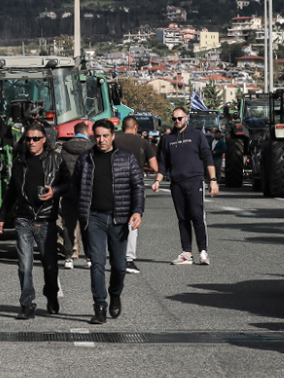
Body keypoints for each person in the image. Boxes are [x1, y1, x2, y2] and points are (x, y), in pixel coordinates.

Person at [72, 119, 145, 324]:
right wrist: (80, 207)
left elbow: (138, 186)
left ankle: (114, 294)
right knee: (97, 263)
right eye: (98, 136)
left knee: (120, 266)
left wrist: (137, 211)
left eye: (105, 135)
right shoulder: (86, 158)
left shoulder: (126, 157)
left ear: (113, 136)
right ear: (92, 136)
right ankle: (100, 306)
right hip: (93, 217)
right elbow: (75, 186)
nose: (101, 140)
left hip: (119, 218)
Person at [0, 123, 70, 319]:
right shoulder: (20, 162)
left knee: (50, 264)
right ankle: (27, 304)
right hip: (23, 220)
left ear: (44, 140)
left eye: (36, 139)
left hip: (46, 220)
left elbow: (68, 183)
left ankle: (52, 294)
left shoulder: (56, 159)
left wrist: (55, 191)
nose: (31, 142)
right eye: (28, 139)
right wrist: (2, 217)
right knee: (24, 266)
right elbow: (12, 190)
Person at [153, 107, 217, 265]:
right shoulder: (167, 139)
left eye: (179, 118)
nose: (177, 121)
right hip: (176, 183)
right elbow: (163, 163)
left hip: (194, 180)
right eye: (174, 119)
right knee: (182, 219)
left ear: (186, 118)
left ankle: (203, 252)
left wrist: (213, 179)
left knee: (197, 216)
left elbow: (207, 157)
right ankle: (187, 253)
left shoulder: (197, 135)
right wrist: (158, 180)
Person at [113, 116, 158, 274]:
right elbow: (154, 167)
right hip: (134, 183)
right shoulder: (143, 142)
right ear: (136, 127)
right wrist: (142, 167)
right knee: (133, 219)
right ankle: (129, 258)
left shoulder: (114, 140)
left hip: (114, 181)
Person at [59, 121, 94, 268]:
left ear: (74, 132)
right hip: (87, 192)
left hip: (68, 191)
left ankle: (68, 257)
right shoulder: (92, 148)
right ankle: (89, 257)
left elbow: (60, 169)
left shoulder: (64, 148)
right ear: (86, 132)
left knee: (68, 224)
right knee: (87, 224)